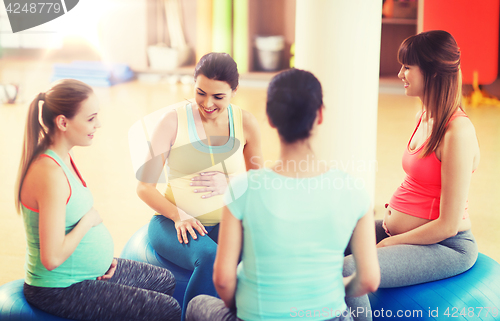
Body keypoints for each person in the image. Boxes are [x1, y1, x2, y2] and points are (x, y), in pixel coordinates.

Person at [185, 68, 380, 321]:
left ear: (270, 117)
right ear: (319, 115)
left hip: (257, 315)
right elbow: (369, 280)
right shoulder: (354, 191)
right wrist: (333, 291)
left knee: (196, 305)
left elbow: (222, 280)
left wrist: (240, 307)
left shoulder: (242, 189)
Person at [15, 79, 181, 321]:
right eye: (91, 118)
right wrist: (88, 222)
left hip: (86, 273)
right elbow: (51, 258)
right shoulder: (49, 174)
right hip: (59, 289)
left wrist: (98, 264)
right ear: (63, 122)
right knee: (168, 310)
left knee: (163, 279)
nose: (98, 124)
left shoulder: (63, 157)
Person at [343, 30, 480, 321]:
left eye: (407, 67)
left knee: (349, 270)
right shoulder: (424, 115)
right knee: (328, 237)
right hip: (402, 231)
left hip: (444, 246)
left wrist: (389, 242)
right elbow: (419, 183)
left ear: (431, 72)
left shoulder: (458, 132)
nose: (400, 73)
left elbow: (448, 225)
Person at [136, 52, 263, 319]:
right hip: (172, 224)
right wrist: (179, 216)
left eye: (218, 97)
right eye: (201, 92)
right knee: (210, 258)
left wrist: (231, 182)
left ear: (234, 91)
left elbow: (259, 182)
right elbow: (144, 187)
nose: (207, 103)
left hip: (227, 223)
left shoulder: (246, 123)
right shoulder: (172, 121)